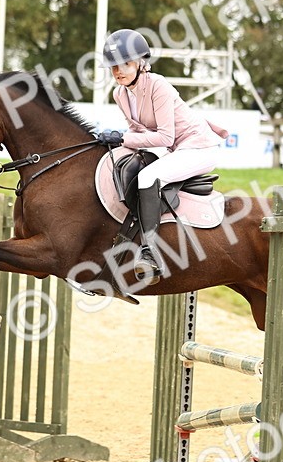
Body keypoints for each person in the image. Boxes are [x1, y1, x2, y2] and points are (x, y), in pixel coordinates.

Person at [97, 28, 228, 287]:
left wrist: (122, 139)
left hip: (198, 147)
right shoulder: (119, 94)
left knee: (147, 176)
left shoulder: (158, 85)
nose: (118, 71)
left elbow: (165, 137)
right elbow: (137, 130)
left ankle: (150, 252)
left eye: (124, 64)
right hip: (176, 148)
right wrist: (117, 142)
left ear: (140, 63)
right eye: (113, 66)